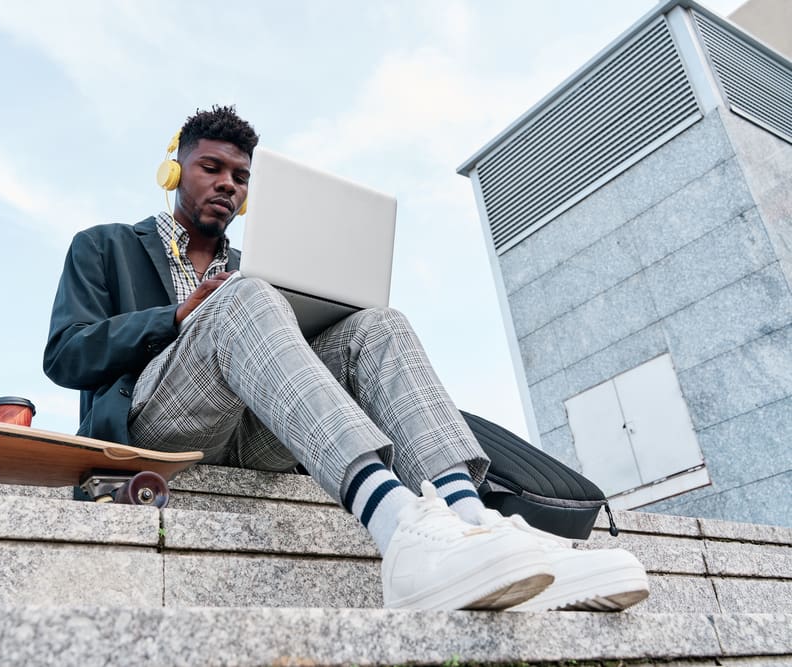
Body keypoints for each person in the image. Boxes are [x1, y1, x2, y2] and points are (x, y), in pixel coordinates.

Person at [43, 105, 649, 612]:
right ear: (174, 171)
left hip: (257, 431)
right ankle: (400, 534)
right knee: (244, 296)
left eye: (241, 176)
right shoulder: (106, 245)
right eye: (211, 167)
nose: (228, 183)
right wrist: (180, 315)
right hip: (158, 426)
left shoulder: (254, 265)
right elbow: (66, 355)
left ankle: (474, 525)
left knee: (377, 325)